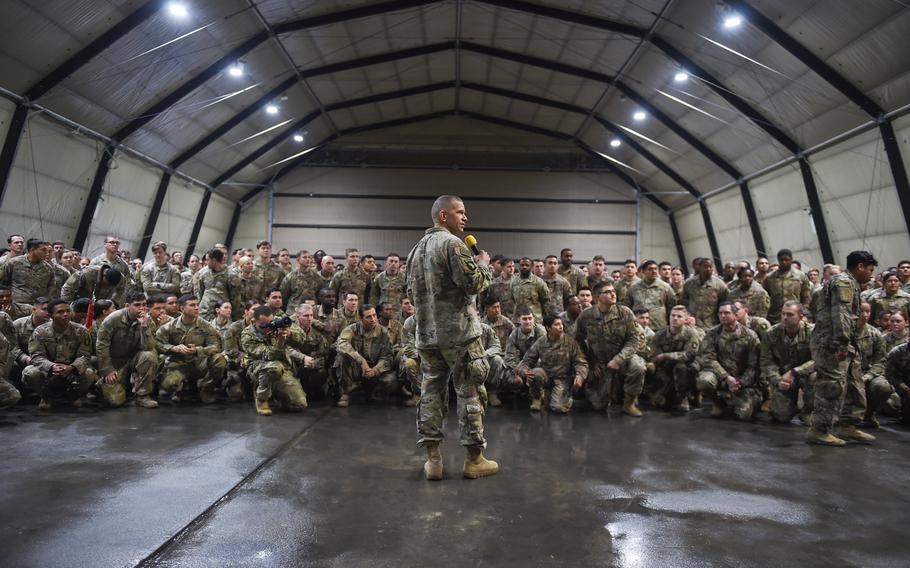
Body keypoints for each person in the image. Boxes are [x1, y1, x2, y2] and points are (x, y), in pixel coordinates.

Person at [406, 195, 497, 481]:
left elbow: (410, 295)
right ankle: (474, 459)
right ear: (443, 216)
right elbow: (473, 283)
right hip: (459, 336)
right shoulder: (453, 244)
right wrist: (483, 264)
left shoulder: (415, 250)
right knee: (469, 393)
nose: (465, 217)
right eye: (460, 212)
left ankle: (433, 461)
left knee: (431, 392)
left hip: (427, 336)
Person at [807, 250, 878, 446]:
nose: (871, 274)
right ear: (860, 267)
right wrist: (842, 345)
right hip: (832, 343)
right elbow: (842, 316)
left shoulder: (850, 283)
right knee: (831, 386)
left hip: (843, 341)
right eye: (870, 270)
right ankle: (818, 430)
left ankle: (847, 424)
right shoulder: (844, 283)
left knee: (854, 383)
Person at [575, 281, 644, 416]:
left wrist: (618, 359)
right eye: (607, 292)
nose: (613, 294)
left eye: (613, 291)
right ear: (597, 297)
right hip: (599, 362)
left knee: (638, 367)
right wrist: (591, 362)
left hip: (622, 358)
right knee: (598, 406)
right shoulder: (586, 315)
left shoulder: (625, 312)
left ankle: (629, 403)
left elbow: (634, 339)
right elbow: (577, 340)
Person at [23, 299, 95, 410]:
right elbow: (37, 356)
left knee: (89, 373)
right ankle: (46, 397)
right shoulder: (40, 332)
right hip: (49, 372)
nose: (65, 314)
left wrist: (72, 367)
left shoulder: (81, 331)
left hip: (71, 371)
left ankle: (73, 397)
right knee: (30, 372)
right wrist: (51, 366)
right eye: (60, 312)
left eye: (67, 311)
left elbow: (85, 355)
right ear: (50, 315)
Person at [695, 302, 762, 421]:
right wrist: (726, 377)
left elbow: (754, 366)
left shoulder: (750, 336)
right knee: (704, 381)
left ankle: (745, 400)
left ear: (736, 315)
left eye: (727, 313)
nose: (723, 316)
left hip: (742, 381)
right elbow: (708, 359)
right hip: (721, 376)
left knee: (743, 416)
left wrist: (740, 383)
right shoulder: (712, 334)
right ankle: (718, 403)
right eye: (720, 313)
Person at [155, 295, 226, 404]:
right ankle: (180, 389)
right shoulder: (170, 326)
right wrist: (173, 348)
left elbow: (216, 346)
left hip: (199, 362)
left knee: (219, 359)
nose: (197, 308)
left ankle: (206, 388)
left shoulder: (205, 326)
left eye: (197, 305)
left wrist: (198, 350)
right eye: (192, 305)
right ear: (182, 309)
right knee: (169, 384)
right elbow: (158, 343)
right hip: (179, 362)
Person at [95, 291, 159, 408]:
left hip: (135, 358)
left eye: (144, 304)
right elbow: (101, 346)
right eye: (137, 305)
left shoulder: (147, 320)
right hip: (116, 361)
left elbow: (149, 347)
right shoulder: (112, 320)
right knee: (115, 401)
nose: (142, 308)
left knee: (149, 355)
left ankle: (143, 396)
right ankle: (101, 384)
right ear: (127, 306)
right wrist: (107, 370)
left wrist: (144, 327)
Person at [241, 305, 309, 415]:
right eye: (264, 325)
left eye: (271, 323)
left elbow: (301, 336)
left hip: (282, 368)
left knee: (299, 404)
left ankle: (276, 395)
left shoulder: (278, 322)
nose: (269, 327)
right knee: (275, 367)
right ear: (253, 322)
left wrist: (290, 334)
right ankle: (261, 398)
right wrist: (280, 343)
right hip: (258, 367)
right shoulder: (247, 335)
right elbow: (267, 355)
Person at [519, 313, 588, 413]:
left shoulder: (570, 342)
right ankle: (537, 398)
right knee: (535, 373)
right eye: (556, 325)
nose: (561, 327)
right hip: (547, 375)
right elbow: (526, 360)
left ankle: (566, 399)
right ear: (548, 328)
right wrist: (525, 372)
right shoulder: (541, 342)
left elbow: (581, 363)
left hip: (563, 379)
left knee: (557, 408)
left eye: (561, 324)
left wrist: (580, 376)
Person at [334, 304, 397, 407]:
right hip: (357, 368)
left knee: (391, 381)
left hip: (374, 369)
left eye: (374, 315)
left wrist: (375, 370)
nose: (373, 319)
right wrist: (361, 361)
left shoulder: (383, 332)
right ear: (360, 318)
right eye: (368, 317)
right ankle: (345, 392)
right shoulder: (351, 329)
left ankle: (373, 392)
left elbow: (387, 357)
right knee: (341, 357)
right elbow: (342, 344)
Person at [761, 301, 815, 423]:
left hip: (805, 375)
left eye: (790, 314)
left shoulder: (812, 332)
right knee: (781, 416)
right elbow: (766, 361)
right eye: (783, 314)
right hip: (783, 377)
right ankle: (790, 406)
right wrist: (777, 380)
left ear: (801, 317)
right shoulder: (771, 334)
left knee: (816, 377)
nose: (785, 318)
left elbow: (818, 360)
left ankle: (808, 411)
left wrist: (795, 372)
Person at [649, 305, 700, 412]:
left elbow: (690, 355)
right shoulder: (660, 335)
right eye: (673, 315)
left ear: (686, 320)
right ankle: (667, 393)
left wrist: (667, 355)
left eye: (679, 316)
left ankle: (684, 397)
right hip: (665, 367)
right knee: (659, 403)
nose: (675, 318)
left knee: (681, 368)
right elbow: (654, 356)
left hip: (685, 367)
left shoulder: (691, 334)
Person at [763, 248, 813, 323]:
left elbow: (806, 296)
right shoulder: (770, 278)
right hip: (776, 317)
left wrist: (803, 311)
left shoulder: (800, 276)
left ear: (791, 260)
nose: (784, 262)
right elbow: (766, 298)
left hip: (795, 315)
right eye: (781, 260)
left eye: (786, 260)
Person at [0, 238, 54, 305]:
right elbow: (2, 282)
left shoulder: (48, 268)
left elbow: (51, 288)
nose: (46, 253)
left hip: (38, 306)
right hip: (17, 304)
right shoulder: (13, 263)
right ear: (32, 250)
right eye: (43, 250)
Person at [626, 260, 676, 331]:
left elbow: (671, 307)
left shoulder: (665, 288)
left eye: (655, 269)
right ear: (643, 271)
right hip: (638, 328)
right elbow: (627, 308)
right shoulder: (634, 288)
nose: (654, 271)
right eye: (650, 269)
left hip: (659, 327)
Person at [194, 248, 243, 320]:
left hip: (222, 313)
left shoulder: (231, 275)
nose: (206, 262)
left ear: (214, 260)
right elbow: (199, 292)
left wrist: (232, 313)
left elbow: (235, 298)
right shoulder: (203, 273)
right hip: (204, 312)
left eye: (208, 260)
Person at [680, 258, 727, 328]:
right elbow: (684, 300)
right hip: (694, 323)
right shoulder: (689, 283)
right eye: (705, 267)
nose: (708, 269)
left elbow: (725, 302)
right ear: (700, 267)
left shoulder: (719, 284)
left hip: (712, 323)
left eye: (710, 267)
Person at [510, 257, 549, 322]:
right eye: (522, 265)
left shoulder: (538, 282)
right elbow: (512, 299)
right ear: (519, 266)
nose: (524, 267)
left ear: (531, 267)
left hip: (535, 319)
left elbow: (545, 299)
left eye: (527, 265)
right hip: (518, 319)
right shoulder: (514, 282)